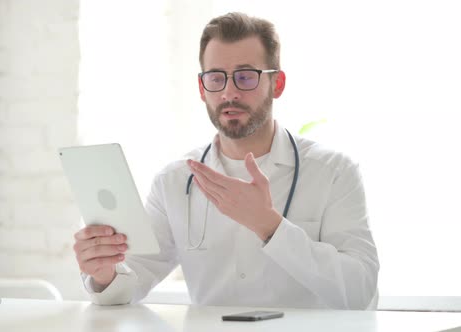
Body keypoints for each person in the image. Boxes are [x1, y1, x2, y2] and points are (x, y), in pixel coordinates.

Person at [73, 12, 379, 309]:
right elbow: (130, 281)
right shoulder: (175, 181)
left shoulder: (334, 172)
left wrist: (270, 227)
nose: (229, 92)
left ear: (278, 84)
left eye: (246, 77)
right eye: (216, 78)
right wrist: (104, 274)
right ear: (202, 88)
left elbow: (360, 292)